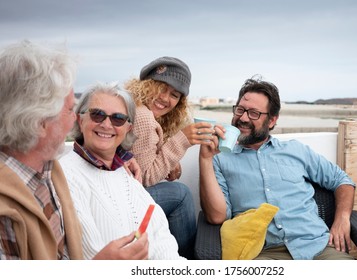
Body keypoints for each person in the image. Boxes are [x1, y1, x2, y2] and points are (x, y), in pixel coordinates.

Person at [0, 40, 148, 260]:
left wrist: (118, 160)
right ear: (39, 121)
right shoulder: (6, 212)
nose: (75, 119)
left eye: (117, 119)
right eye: (70, 109)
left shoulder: (48, 170)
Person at [199, 76, 356, 260]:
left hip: (318, 248)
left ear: (272, 121)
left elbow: (342, 180)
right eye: (240, 110)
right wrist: (205, 159)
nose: (242, 118)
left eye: (253, 113)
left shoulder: (296, 150)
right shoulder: (220, 159)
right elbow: (217, 217)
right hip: (264, 254)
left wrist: (342, 218)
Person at [59, 82, 184, 260]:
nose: (106, 124)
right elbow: (90, 255)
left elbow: (160, 234)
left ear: (128, 129)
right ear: (80, 120)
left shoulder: (125, 174)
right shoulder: (67, 175)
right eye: (97, 115)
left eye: (118, 118)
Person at [124, 56, 214, 259]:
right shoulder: (145, 117)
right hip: (129, 198)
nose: (165, 98)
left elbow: (142, 156)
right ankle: (187, 260)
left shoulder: (138, 110)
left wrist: (169, 160)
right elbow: (145, 179)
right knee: (180, 194)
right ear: (147, 85)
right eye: (161, 88)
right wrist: (181, 141)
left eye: (174, 95)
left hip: (124, 189)